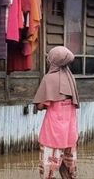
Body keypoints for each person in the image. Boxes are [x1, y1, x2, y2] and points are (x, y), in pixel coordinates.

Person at [33, 46, 79, 179]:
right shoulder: (72, 79)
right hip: (70, 134)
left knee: (48, 173)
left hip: (53, 136)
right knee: (69, 174)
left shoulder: (49, 78)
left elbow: (41, 105)